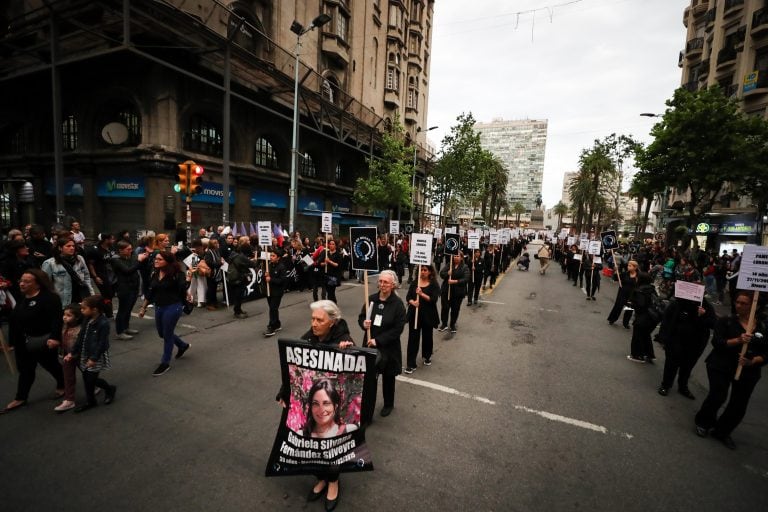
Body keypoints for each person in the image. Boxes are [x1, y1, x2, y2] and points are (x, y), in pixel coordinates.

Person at [276, 300, 354, 510]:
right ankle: (320, 478)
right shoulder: (308, 339)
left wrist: (350, 351)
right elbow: (294, 370)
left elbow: (371, 363)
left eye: (320, 319)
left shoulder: (344, 340)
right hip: (312, 406)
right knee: (310, 444)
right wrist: (284, 392)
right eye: (312, 319)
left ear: (332, 322)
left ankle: (333, 482)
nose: (314, 323)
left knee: (331, 446)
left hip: (332, 407)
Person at [694, 291, 766, 449]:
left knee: (739, 405)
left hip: (748, 370)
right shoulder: (726, 321)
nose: (738, 305)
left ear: (756, 306)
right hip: (721, 365)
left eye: (743, 303)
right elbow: (718, 342)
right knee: (718, 395)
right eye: (737, 302)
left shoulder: (762, 327)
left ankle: (722, 431)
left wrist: (752, 361)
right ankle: (703, 423)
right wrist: (739, 340)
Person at [2, 269, 64, 414]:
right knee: (25, 370)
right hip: (23, 342)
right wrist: (12, 342)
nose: (22, 284)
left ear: (38, 284)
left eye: (27, 281)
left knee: (51, 365)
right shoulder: (21, 298)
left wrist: (55, 338)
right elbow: (14, 321)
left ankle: (63, 385)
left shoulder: (49, 298)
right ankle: (21, 397)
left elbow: (56, 320)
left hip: (43, 340)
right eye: (21, 281)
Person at [358, 270, 406, 417]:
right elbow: (361, 317)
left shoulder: (398, 304)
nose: (382, 284)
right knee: (370, 380)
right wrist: (363, 324)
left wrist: (378, 340)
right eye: (380, 281)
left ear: (393, 285)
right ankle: (367, 409)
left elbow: (398, 329)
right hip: (370, 346)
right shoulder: (371, 299)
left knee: (388, 378)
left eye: (386, 282)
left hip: (388, 347)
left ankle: (388, 404)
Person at [138, 251, 193, 376]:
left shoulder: (177, 274)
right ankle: (182, 345)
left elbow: (183, 287)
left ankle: (165, 363)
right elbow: (150, 292)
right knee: (162, 333)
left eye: (159, 259)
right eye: (155, 259)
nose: (156, 261)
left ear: (168, 261)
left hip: (173, 307)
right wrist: (143, 308)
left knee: (167, 334)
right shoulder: (155, 273)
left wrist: (188, 280)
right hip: (159, 307)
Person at [64, 295, 116, 412]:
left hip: (95, 355)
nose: (81, 310)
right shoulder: (87, 319)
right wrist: (73, 352)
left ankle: (109, 389)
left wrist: (93, 358)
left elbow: (102, 343)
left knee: (90, 378)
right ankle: (91, 400)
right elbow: (81, 337)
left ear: (95, 309)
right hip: (85, 353)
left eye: (84, 308)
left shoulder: (103, 323)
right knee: (87, 377)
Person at [657, 295, 716, 399]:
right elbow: (666, 320)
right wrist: (663, 338)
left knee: (687, 366)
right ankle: (665, 385)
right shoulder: (677, 303)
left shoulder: (706, 307)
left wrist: (704, 315)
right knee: (671, 364)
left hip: (696, 343)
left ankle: (683, 386)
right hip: (675, 340)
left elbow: (713, 324)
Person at [404, 265, 440, 373]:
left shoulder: (433, 284)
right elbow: (408, 297)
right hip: (415, 315)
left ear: (430, 272)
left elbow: (433, 299)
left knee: (427, 337)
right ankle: (411, 363)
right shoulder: (415, 282)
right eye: (421, 270)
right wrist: (412, 302)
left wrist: (421, 294)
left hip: (428, 315)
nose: (423, 272)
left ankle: (427, 355)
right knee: (413, 339)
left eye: (425, 270)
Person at [41, 237, 95, 307]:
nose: (72, 248)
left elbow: (86, 277)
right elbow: (46, 285)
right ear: (60, 248)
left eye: (73, 246)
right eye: (68, 246)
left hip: (81, 296)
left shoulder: (79, 259)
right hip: (63, 299)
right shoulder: (50, 263)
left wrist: (91, 293)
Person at [111, 240, 148, 340]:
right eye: (128, 249)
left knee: (128, 309)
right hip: (123, 288)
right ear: (120, 250)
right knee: (122, 310)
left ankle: (126, 327)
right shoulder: (116, 260)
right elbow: (128, 271)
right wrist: (138, 260)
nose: (131, 251)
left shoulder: (129, 257)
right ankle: (119, 331)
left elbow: (135, 267)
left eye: (131, 249)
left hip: (133, 286)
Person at [54, 303, 83, 413]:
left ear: (77, 317)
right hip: (66, 356)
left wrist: (74, 354)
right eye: (64, 314)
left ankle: (95, 385)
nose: (65, 317)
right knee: (68, 377)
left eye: (69, 315)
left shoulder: (81, 329)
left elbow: (81, 345)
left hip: (80, 356)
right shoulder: (63, 325)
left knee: (88, 373)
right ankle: (69, 399)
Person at [627, 272, 659, 363]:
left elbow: (641, 305)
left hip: (643, 316)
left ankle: (637, 355)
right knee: (645, 335)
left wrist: (633, 304)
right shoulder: (651, 288)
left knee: (638, 336)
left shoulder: (639, 290)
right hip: (654, 316)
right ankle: (649, 354)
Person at [225, 237, 260, 319]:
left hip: (232, 277)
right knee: (238, 295)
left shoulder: (234, 254)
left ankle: (239, 309)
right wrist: (255, 258)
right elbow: (253, 264)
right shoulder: (241, 257)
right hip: (238, 278)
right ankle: (237, 312)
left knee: (238, 295)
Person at [86, 233, 116, 317]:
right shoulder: (95, 250)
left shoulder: (111, 247)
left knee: (110, 294)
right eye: (111, 239)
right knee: (107, 294)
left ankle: (104, 310)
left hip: (112, 274)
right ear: (106, 240)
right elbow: (91, 264)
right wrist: (96, 277)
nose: (113, 241)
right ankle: (108, 313)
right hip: (101, 275)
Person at [438, 253, 469, 334]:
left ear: (461, 258)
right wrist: (447, 273)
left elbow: (466, 279)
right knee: (445, 308)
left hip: (457, 292)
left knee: (455, 309)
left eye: (458, 256)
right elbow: (441, 273)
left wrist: (455, 281)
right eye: (454, 256)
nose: (456, 257)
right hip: (446, 290)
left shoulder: (464, 267)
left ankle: (452, 324)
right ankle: (444, 324)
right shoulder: (449, 265)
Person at [264, 248, 289, 337]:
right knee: (273, 308)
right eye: (271, 255)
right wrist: (266, 275)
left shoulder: (281, 267)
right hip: (269, 290)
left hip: (277, 292)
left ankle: (271, 327)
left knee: (273, 308)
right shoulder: (269, 265)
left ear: (278, 258)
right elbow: (267, 277)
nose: (271, 257)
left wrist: (271, 279)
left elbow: (283, 280)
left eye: (273, 256)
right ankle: (277, 324)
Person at [607, 259, 639, 328]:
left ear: (635, 267)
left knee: (629, 309)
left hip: (631, 295)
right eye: (628, 265)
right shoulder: (625, 274)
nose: (628, 267)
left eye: (630, 266)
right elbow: (615, 278)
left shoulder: (638, 276)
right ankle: (612, 319)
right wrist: (615, 271)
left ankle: (626, 323)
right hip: (622, 293)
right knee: (618, 307)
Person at [319, 239, 343, 304]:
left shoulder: (338, 254)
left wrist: (329, 261)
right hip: (326, 275)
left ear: (335, 246)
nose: (331, 245)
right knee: (328, 291)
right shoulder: (326, 253)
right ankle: (333, 303)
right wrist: (325, 263)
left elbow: (337, 265)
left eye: (333, 244)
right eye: (330, 244)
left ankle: (332, 304)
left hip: (334, 276)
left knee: (331, 292)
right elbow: (320, 263)